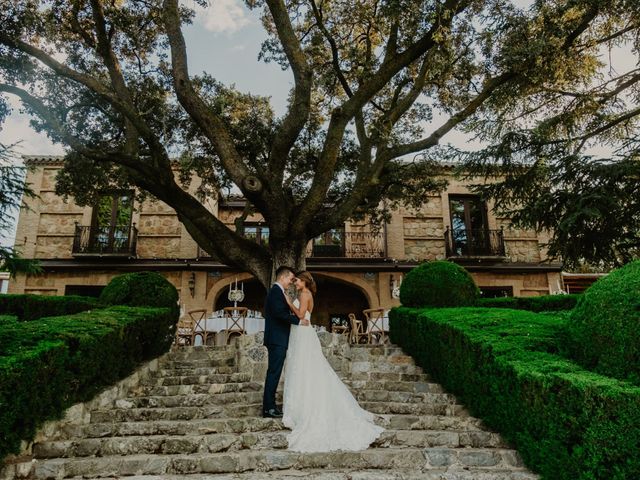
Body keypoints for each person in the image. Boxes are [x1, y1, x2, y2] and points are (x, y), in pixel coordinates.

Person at [282, 271, 384, 452]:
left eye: (297, 280)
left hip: (303, 332)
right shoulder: (305, 293)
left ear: (304, 282)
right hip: (301, 332)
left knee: (305, 367)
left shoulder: (305, 294)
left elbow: (300, 314)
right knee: (302, 367)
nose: (295, 282)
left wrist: (289, 302)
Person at [262, 265, 310, 418]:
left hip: (277, 338)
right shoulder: (276, 291)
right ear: (282, 277)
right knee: (274, 373)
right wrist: (298, 321)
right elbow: (279, 313)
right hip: (276, 338)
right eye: (290, 279)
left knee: (274, 372)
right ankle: (268, 408)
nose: (291, 282)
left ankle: (270, 406)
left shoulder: (278, 292)